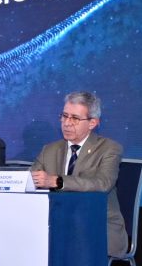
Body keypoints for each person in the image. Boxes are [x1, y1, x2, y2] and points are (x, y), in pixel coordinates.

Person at [31, 91, 128, 256]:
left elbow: (103, 183)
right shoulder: (50, 150)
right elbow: (31, 179)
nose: (67, 123)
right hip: (56, 225)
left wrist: (58, 182)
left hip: (96, 227)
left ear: (92, 123)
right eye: (64, 116)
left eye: (75, 118)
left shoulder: (109, 148)